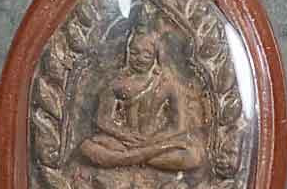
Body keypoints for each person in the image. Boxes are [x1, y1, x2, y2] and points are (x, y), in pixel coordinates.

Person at [79, 26, 206, 174]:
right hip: (124, 142)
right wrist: (126, 136)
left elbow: (179, 126)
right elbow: (103, 120)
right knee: (87, 147)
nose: (139, 59)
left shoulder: (168, 84)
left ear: (156, 56)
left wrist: (151, 141)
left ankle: (127, 158)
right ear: (127, 54)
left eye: (147, 55)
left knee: (194, 155)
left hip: (156, 142)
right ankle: (142, 157)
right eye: (134, 53)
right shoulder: (116, 83)